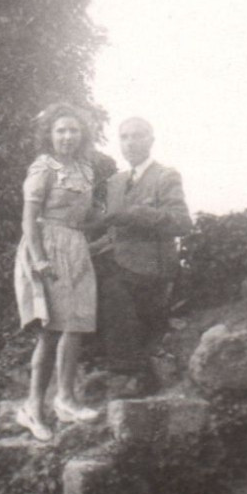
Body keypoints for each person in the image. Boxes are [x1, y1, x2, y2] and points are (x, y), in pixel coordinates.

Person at [13, 103, 102, 442]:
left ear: (83, 135)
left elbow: (85, 214)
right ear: (50, 135)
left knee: (76, 325)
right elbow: (28, 218)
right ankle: (32, 407)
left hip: (75, 246)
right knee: (50, 330)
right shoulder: (43, 168)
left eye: (73, 130)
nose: (67, 136)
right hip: (46, 246)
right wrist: (39, 259)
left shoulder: (85, 169)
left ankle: (65, 398)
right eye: (60, 130)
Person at [89, 116, 191, 384]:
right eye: (124, 137)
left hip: (152, 270)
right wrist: (83, 251)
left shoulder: (165, 176)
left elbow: (181, 223)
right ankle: (90, 357)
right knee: (77, 274)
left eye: (138, 135)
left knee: (110, 286)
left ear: (151, 140)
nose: (131, 142)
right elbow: (113, 235)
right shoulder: (115, 182)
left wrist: (138, 213)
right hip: (120, 262)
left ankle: (127, 371)